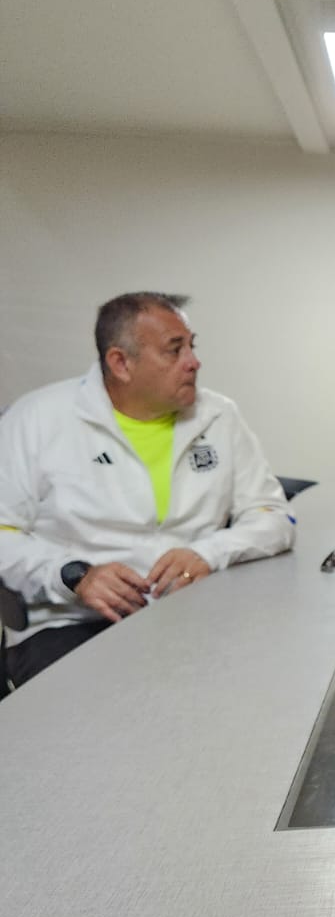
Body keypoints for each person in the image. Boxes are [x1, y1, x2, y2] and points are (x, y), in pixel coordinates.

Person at [0, 291, 294, 686]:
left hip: (193, 616)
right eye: (174, 350)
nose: (193, 361)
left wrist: (208, 552)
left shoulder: (219, 416)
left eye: (191, 346)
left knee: (267, 684)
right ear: (120, 363)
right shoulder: (37, 419)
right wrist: (71, 574)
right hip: (73, 625)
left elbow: (273, 517)